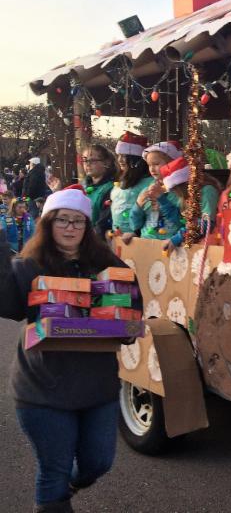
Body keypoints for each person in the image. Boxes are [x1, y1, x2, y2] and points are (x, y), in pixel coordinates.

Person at [0, 184, 141, 512]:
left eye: (78, 221)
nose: (70, 227)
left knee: (99, 462)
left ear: (87, 226)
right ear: (48, 223)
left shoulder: (107, 263)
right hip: (43, 389)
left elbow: (132, 315)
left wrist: (126, 327)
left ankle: (69, 486)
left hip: (98, 387)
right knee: (54, 470)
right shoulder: (30, 265)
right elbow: (8, 304)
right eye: (62, 219)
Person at [159, 157, 221, 249]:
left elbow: (206, 224)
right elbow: (180, 221)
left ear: (184, 185)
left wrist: (179, 237)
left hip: (210, 244)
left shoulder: (207, 191)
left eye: (175, 189)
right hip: (192, 241)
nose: (174, 193)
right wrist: (162, 200)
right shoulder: (185, 197)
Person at [131, 141, 184, 240]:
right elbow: (135, 225)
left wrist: (162, 200)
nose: (152, 169)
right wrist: (137, 207)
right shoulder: (147, 190)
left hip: (170, 244)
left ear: (172, 163)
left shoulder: (180, 192)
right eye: (149, 165)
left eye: (156, 164)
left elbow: (182, 222)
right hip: (145, 242)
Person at [110, 132, 153, 244]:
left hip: (137, 242)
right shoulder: (120, 180)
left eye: (124, 156)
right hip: (118, 239)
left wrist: (137, 233)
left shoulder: (148, 183)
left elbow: (152, 216)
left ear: (136, 158)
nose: (120, 160)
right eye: (119, 155)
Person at [80, 145, 117, 238]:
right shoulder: (84, 186)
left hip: (96, 240)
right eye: (85, 160)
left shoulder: (111, 189)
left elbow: (103, 223)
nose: (87, 164)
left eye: (92, 160)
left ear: (107, 163)